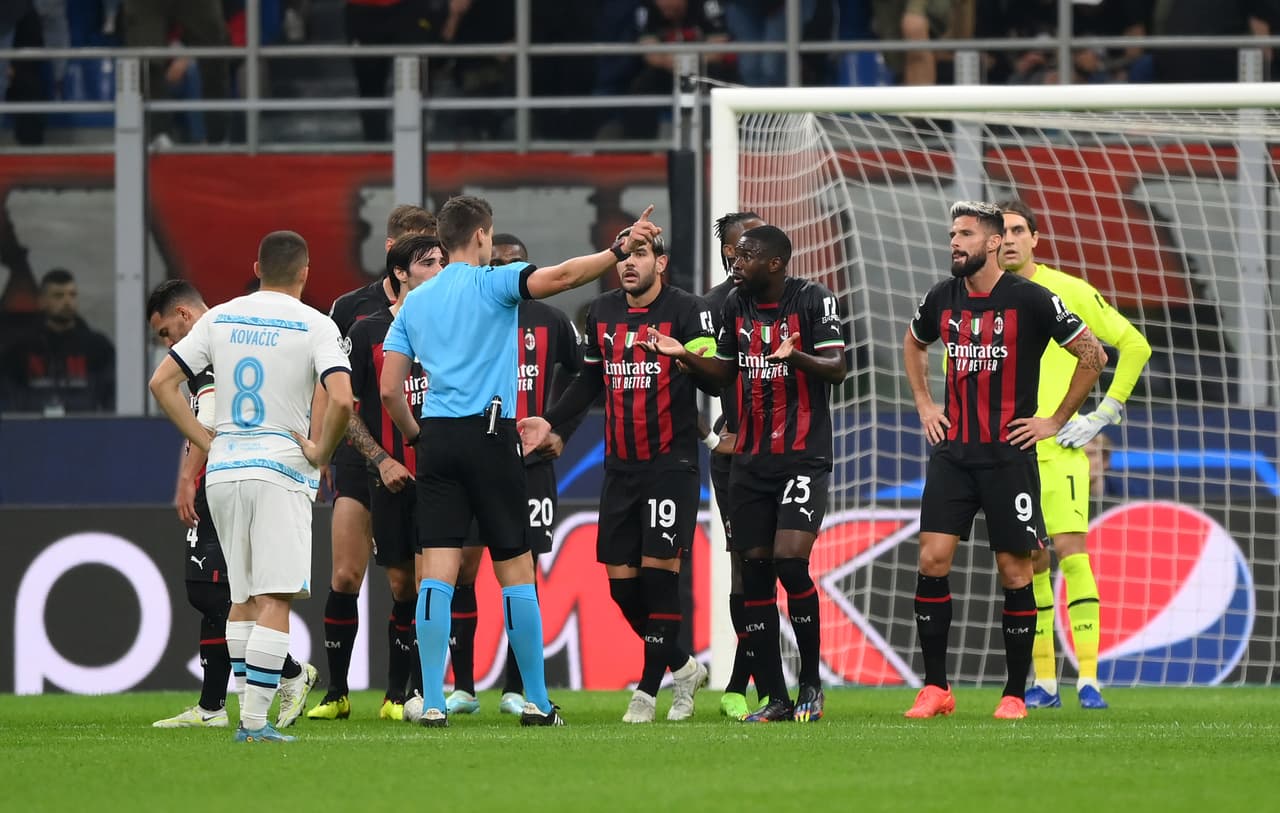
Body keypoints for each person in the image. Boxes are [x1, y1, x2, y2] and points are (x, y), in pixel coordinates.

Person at [377, 194, 661, 728]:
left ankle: (433, 702)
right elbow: (562, 277)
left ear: (443, 239)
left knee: (436, 573)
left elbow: (391, 388)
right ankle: (534, 700)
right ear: (483, 235)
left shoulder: (415, 301)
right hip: (491, 436)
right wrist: (616, 250)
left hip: (436, 438)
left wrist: (417, 437)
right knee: (515, 571)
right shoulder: (493, 283)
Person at [901, 200, 1107, 721]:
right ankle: (936, 689)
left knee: (1016, 570)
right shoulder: (940, 297)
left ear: (992, 243)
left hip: (1009, 456)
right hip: (953, 454)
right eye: (952, 233)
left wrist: (1055, 420)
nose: (954, 242)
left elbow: (1093, 355)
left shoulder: (1032, 299)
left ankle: (1015, 693)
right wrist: (926, 403)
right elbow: (913, 341)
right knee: (931, 560)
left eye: (965, 234)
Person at [149, 231, 353, 743]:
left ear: (257, 266)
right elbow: (344, 400)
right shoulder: (317, 325)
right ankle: (256, 724)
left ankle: (248, 719)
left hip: (224, 472)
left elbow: (162, 384)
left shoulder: (219, 316)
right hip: (280, 469)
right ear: (305, 272)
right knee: (274, 598)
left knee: (239, 598)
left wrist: (205, 440)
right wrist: (320, 451)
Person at [640, 224, 847, 724]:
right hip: (749, 462)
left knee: (791, 564)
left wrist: (793, 355)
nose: (736, 261)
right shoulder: (735, 306)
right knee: (754, 579)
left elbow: (838, 368)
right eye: (736, 254)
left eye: (747, 255)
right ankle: (776, 697)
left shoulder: (814, 300)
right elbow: (726, 376)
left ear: (775, 263)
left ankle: (812, 686)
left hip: (802, 456)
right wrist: (684, 356)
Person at [534, 224, 713, 724]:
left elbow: (716, 370)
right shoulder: (603, 312)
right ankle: (684, 666)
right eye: (623, 255)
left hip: (670, 465)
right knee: (622, 590)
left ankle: (649, 691)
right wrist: (550, 420)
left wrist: (687, 358)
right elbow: (589, 378)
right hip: (620, 467)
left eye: (641, 253)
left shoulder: (687, 310)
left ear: (662, 263)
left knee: (660, 584)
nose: (629, 262)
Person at [999, 198, 1151, 710]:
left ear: (1035, 238)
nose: (1011, 239)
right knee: (1028, 562)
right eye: (1001, 231)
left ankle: (1089, 679)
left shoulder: (1071, 291)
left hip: (1058, 449)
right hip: (1004, 454)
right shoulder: (978, 299)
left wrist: (1102, 414)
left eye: (1019, 229)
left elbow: (1135, 347)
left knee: (1070, 552)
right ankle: (1044, 684)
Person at [445, 233, 585, 717]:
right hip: (475, 456)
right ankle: (462, 685)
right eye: (498, 262)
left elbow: (587, 374)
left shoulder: (551, 319)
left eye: (516, 263)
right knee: (461, 565)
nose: (507, 270)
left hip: (530, 466)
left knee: (522, 574)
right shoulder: (472, 313)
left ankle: (513, 685)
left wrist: (561, 430)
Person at [308, 204, 436, 721]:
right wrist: (321, 447)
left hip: (423, 466)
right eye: (423, 255)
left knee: (407, 583)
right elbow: (332, 385)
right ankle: (337, 692)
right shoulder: (354, 312)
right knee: (344, 575)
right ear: (396, 260)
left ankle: (396, 694)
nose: (436, 265)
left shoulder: (446, 320)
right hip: (362, 460)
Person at [342, 234, 445, 720]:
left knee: (431, 582)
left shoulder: (456, 326)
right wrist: (382, 460)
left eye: (444, 262)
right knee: (403, 585)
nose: (439, 271)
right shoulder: (366, 333)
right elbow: (346, 410)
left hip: (442, 476)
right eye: (428, 264)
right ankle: (394, 692)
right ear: (400, 273)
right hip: (390, 476)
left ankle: (426, 694)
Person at [704, 211, 766, 720]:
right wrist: (710, 436)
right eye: (743, 243)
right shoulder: (710, 307)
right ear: (729, 253)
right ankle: (740, 682)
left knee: (786, 564)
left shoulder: (802, 299)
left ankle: (785, 680)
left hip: (790, 452)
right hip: (738, 456)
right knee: (744, 565)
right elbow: (678, 379)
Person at [0, 268, 115, 415]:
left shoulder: (97, 347)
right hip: (31, 430)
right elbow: (6, 397)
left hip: (86, 429)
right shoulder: (20, 350)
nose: (67, 302)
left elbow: (112, 395)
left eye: (72, 295)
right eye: (58, 296)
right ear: (42, 301)